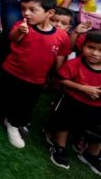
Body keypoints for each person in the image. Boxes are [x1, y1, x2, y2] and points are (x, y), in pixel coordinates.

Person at [0, 0, 71, 149]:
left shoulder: (61, 36)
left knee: (25, 103)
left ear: (49, 13)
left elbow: (61, 56)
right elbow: (12, 39)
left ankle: (13, 124)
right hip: (11, 72)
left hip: (36, 79)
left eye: (32, 10)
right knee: (2, 95)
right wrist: (19, 32)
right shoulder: (22, 25)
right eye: (23, 9)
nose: (26, 13)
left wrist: (58, 75)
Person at [47, 29, 101, 172]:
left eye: (100, 50)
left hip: (97, 107)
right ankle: (59, 147)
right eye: (91, 47)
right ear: (83, 45)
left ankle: (91, 155)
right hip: (73, 101)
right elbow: (61, 79)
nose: (95, 53)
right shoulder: (75, 64)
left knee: (97, 131)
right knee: (65, 122)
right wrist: (84, 89)